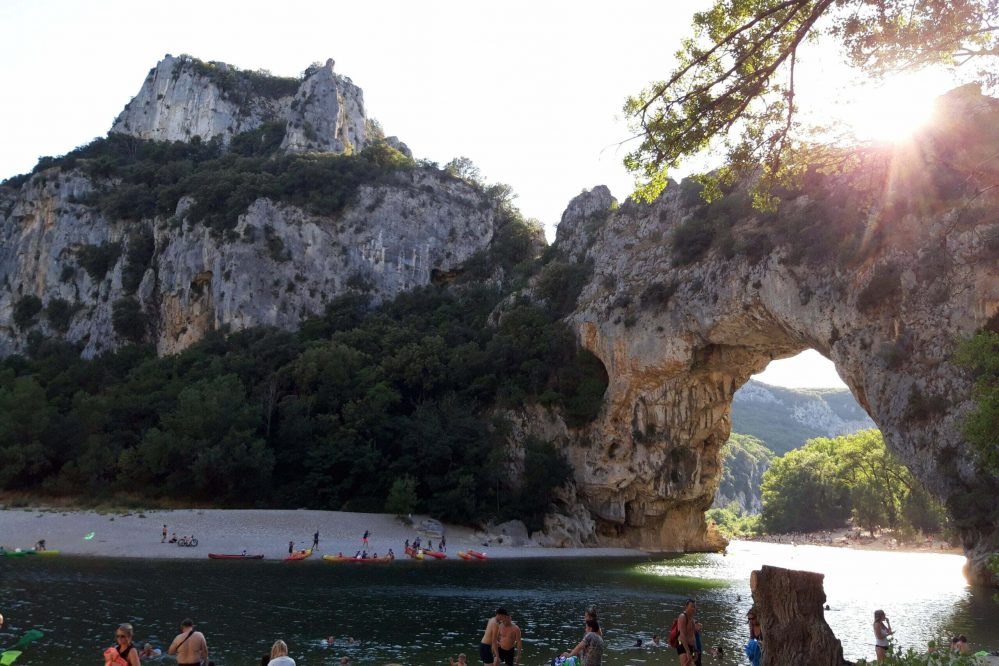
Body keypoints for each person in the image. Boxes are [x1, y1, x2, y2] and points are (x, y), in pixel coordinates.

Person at [676, 599, 698, 666]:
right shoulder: (682, 617)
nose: (693, 608)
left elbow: (693, 635)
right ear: (686, 606)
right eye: (691, 606)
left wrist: (695, 650)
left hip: (691, 647)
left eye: (694, 606)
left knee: (691, 664)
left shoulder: (692, 619)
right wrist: (688, 652)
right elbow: (682, 635)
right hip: (682, 645)